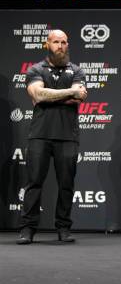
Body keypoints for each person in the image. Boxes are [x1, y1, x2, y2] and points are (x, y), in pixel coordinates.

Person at [16, 30, 87, 244]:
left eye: (64, 42)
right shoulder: (36, 69)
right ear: (47, 44)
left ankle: (63, 227)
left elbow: (79, 97)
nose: (60, 46)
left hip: (67, 135)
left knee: (66, 184)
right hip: (40, 135)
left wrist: (48, 96)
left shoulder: (76, 70)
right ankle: (27, 229)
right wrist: (68, 93)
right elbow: (37, 94)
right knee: (34, 182)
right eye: (56, 42)